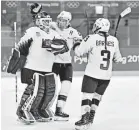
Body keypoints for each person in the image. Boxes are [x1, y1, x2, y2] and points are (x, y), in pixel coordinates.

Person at [7, 10, 69, 124]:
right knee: (34, 90)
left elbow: (64, 45)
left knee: (49, 91)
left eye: (48, 21)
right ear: (38, 21)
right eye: (44, 21)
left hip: (47, 68)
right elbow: (21, 47)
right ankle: (22, 110)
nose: (46, 23)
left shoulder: (53, 33)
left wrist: (61, 47)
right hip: (32, 66)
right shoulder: (32, 31)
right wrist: (14, 61)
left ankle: (39, 110)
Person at [73, 18, 123, 130]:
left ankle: (84, 119)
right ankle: (91, 118)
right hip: (106, 76)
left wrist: (76, 44)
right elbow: (118, 59)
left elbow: (79, 52)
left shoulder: (91, 38)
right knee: (97, 97)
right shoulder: (114, 40)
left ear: (98, 26)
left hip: (92, 73)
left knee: (87, 96)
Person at [50, 11, 82, 121]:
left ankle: (59, 111)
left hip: (67, 64)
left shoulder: (73, 32)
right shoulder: (52, 27)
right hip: (53, 63)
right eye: (59, 19)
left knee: (65, 88)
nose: (61, 22)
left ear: (68, 21)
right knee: (51, 89)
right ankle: (45, 109)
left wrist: (79, 50)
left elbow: (78, 47)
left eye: (64, 20)